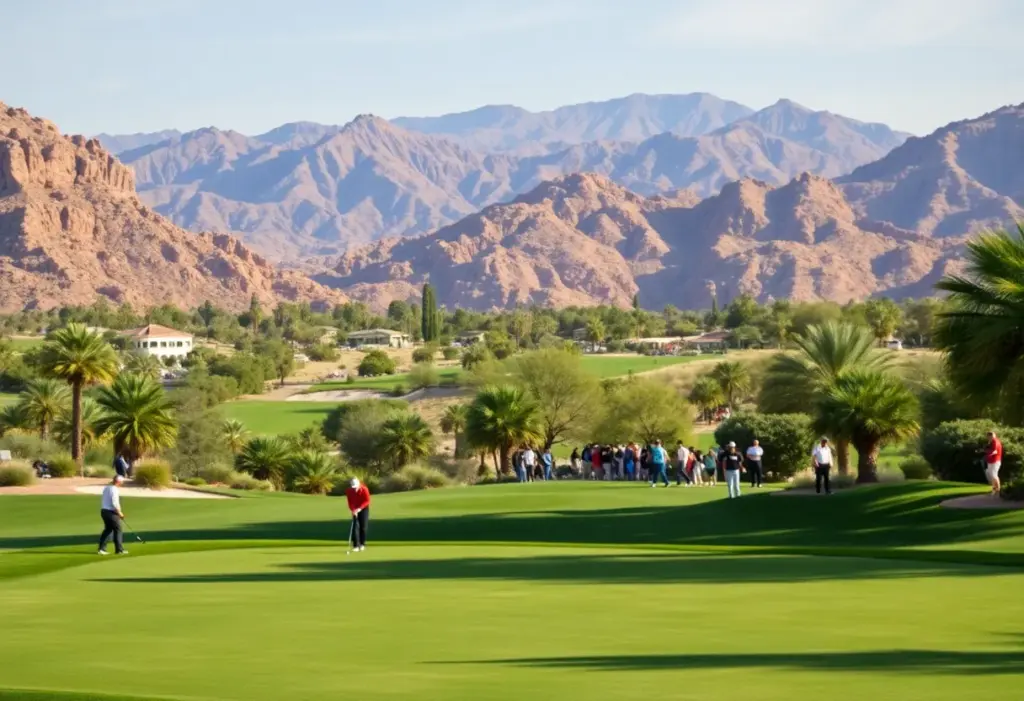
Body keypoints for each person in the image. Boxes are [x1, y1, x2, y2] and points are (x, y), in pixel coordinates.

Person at [98, 475, 127, 555]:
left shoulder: (107, 488)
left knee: (108, 529)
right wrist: (119, 512)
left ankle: (101, 549)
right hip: (111, 512)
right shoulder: (114, 489)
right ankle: (119, 550)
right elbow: (115, 502)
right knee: (118, 529)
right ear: (118, 481)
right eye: (122, 481)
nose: (122, 483)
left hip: (104, 511)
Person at [345, 477, 371, 551]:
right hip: (354, 509)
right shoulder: (349, 491)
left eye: (356, 486)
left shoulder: (364, 489)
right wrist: (353, 510)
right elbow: (350, 502)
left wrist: (359, 509)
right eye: (353, 487)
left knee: (363, 527)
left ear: (359, 484)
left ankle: (362, 544)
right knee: (355, 527)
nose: (354, 488)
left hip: (364, 508)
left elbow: (367, 501)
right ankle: (356, 546)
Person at [985, 430, 1003, 496]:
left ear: (991, 436)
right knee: (991, 475)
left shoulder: (995, 441)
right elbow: (989, 449)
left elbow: (995, 451)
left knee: (994, 475)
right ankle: (994, 490)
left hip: (995, 461)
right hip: (991, 461)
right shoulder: (991, 442)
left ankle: (998, 490)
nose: (987, 438)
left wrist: (989, 454)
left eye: (988, 436)